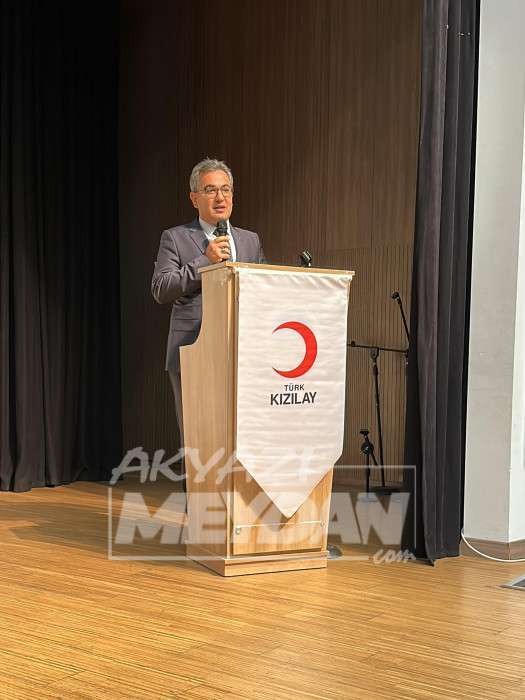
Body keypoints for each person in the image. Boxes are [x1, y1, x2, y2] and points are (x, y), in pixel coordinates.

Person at [151, 158, 265, 487]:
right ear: (194, 198)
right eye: (211, 190)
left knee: (242, 435)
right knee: (199, 437)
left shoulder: (250, 240)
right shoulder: (175, 238)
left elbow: (262, 288)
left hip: (242, 352)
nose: (220, 197)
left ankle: (238, 507)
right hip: (193, 350)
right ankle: (202, 510)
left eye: (226, 190)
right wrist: (205, 261)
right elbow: (161, 288)